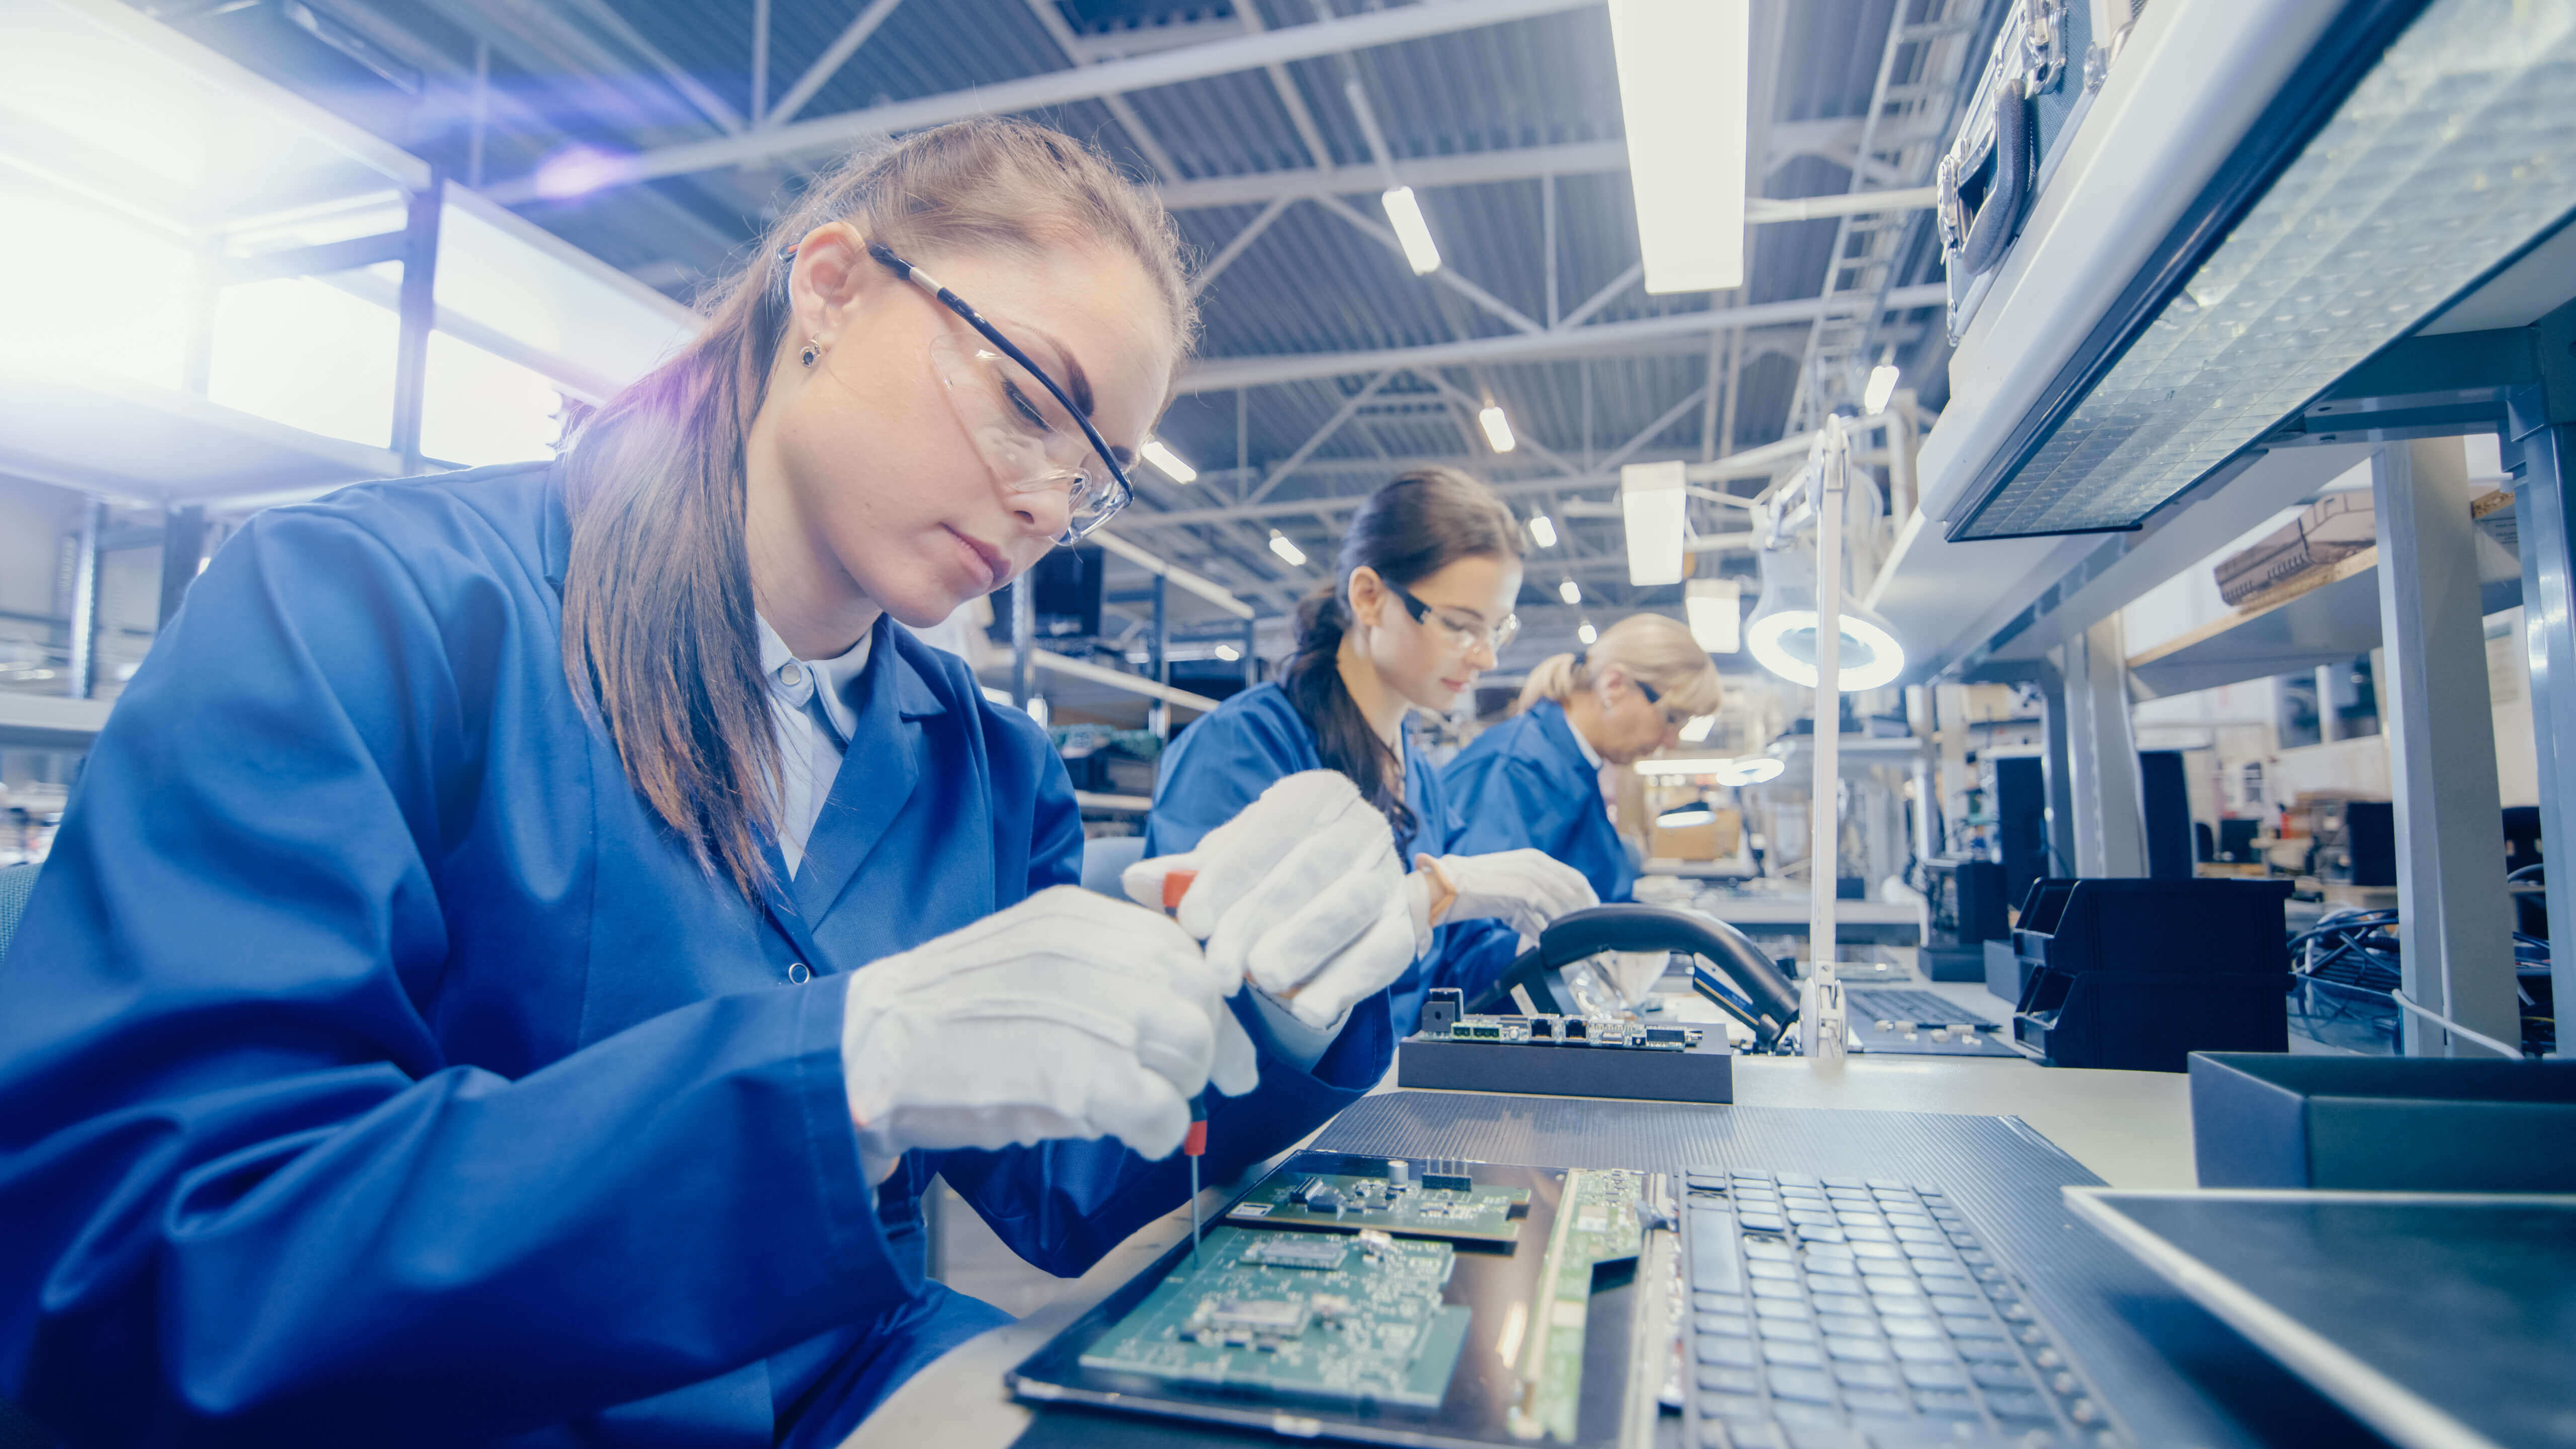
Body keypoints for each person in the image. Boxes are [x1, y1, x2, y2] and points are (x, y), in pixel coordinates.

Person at [0, 118, 1425, 1448]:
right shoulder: (363, 608)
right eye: (1025, 400)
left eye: (1094, 475)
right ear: (832, 290)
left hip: (844, 1391)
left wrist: (1282, 996)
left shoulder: (988, 770)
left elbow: (1070, 1173)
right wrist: (840, 1075)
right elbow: (147, 1261)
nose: (1048, 504)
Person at [1135, 469, 1597, 1036]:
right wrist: (1428, 896)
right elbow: (1239, 973)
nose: (1486, 658)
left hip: (1395, 1079)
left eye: (1498, 630)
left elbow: (1451, 971)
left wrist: (1555, 957)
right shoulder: (1242, 747)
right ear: (1369, 598)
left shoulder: (1418, 777)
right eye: (1460, 626)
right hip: (1285, 1091)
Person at [1444, 611, 1724, 907]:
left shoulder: (1574, 767)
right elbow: (1480, 919)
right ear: (1614, 685)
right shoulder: (1516, 768)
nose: (1672, 741)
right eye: (1671, 718)